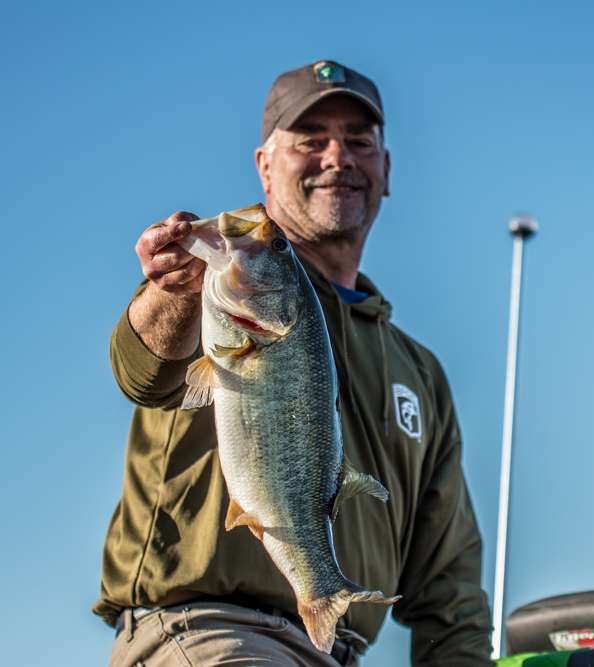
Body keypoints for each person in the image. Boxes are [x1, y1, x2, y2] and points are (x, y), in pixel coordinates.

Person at [96, 60, 493, 666]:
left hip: (334, 650)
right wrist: (172, 294)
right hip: (210, 632)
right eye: (311, 141)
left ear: (386, 170)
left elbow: (450, 588)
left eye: (359, 142)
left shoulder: (422, 374)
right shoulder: (216, 282)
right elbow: (141, 373)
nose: (338, 157)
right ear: (263, 166)